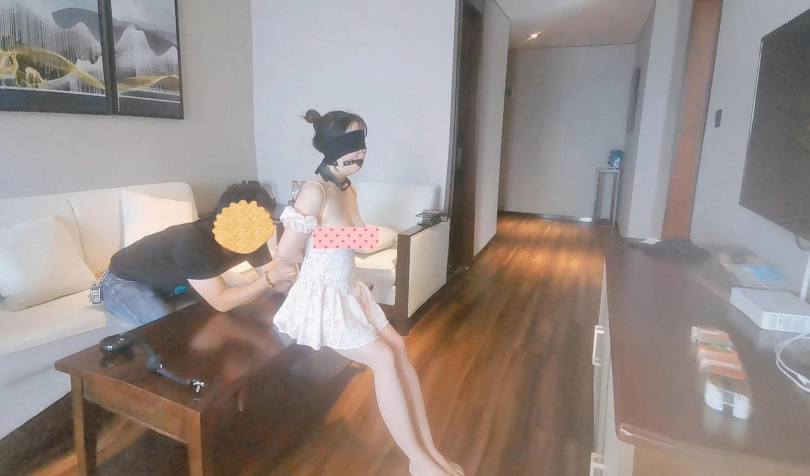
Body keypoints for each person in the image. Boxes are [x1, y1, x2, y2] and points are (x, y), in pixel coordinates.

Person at [273, 110, 463, 476]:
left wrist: (344, 238)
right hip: (321, 298)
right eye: (352, 143)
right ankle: (419, 460)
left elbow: (360, 240)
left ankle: (429, 452)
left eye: (362, 142)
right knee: (383, 357)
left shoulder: (347, 188)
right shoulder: (314, 192)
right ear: (331, 146)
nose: (361, 151)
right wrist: (323, 244)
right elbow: (287, 252)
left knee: (398, 348)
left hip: (350, 291)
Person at [100, 182, 297, 326]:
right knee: (163, 324)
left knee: (248, 297)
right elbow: (222, 302)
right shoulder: (194, 243)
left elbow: (277, 279)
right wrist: (269, 279)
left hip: (180, 283)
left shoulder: (254, 237)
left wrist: (291, 276)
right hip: (125, 281)